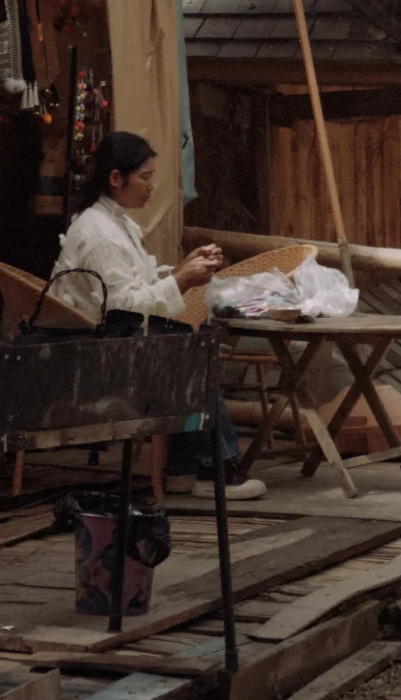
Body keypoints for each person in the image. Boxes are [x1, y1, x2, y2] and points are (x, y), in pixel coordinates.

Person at [51, 131, 267, 501]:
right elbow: (123, 305)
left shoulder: (114, 222)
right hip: (95, 356)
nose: (151, 187)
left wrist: (184, 268)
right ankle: (214, 467)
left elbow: (139, 283)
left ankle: (185, 469)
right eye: (145, 177)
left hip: (113, 339)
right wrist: (181, 281)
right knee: (189, 359)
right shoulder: (100, 233)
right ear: (116, 178)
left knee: (185, 347)